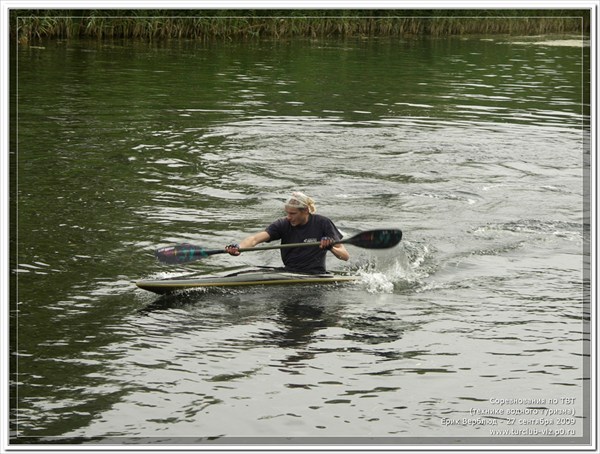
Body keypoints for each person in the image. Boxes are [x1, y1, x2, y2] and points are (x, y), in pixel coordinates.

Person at [226, 191, 349, 274]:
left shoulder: (323, 223)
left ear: (305, 211)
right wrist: (239, 247)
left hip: (316, 274)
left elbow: (344, 256)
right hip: (289, 272)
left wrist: (331, 248)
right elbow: (254, 239)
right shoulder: (283, 224)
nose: (288, 217)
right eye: (287, 213)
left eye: (292, 213)